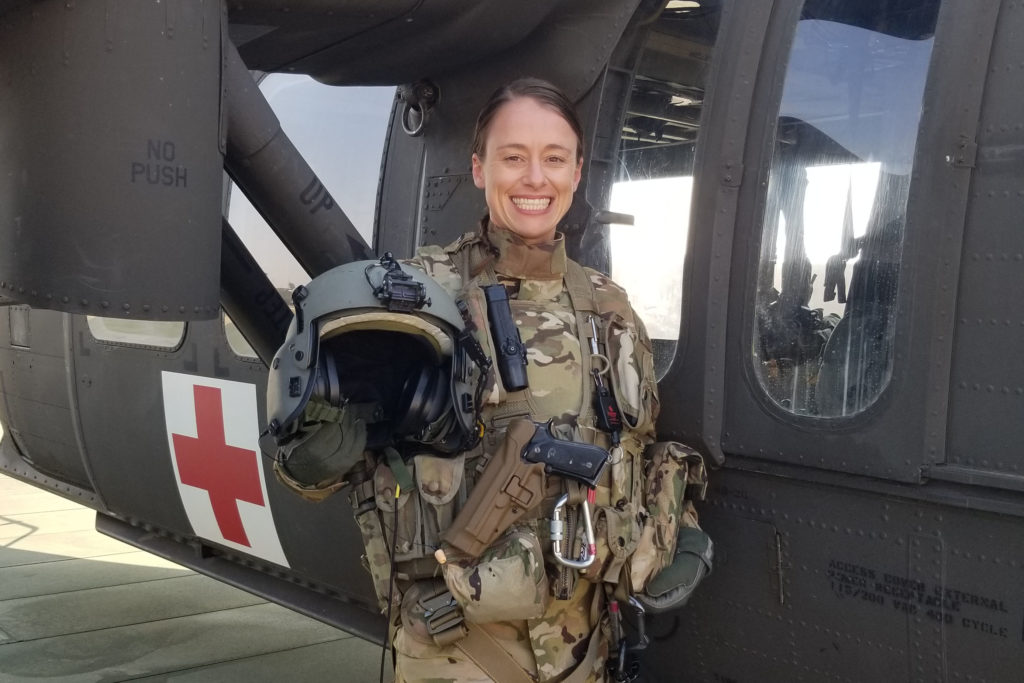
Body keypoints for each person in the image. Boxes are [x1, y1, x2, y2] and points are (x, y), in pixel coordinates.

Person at [268, 78, 711, 682]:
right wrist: (319, 452)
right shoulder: (414, 296)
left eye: (554, 159)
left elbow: (634, 446)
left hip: (585, 648)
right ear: (479, 168)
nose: (535, 178)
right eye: (513, 157)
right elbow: (313, 467)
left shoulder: (609, 307)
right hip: (455, 646)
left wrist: (670, 529)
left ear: (577, 173)